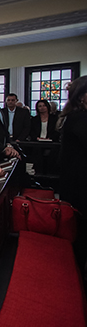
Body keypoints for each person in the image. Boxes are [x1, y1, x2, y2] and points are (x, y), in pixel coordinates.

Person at [58, 76, 87, 272]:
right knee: (81, 231)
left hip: (77, 180)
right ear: (82, 96)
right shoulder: (79, 118)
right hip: (80, 182)